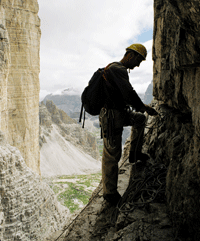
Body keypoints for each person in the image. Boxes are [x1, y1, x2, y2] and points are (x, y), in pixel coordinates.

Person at [99, 43, 158, 206]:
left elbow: (125, 94)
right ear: (131, 56)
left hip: (118, 113)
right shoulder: (118, 70)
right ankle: (109, 193)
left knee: (139, 119)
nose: (138, 65)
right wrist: (143, 107)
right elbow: (129, 92)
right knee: (112, 154)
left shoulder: (114, 69)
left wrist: (141, 110)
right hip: (111, 116)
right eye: (138, 60)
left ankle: (134, 153)